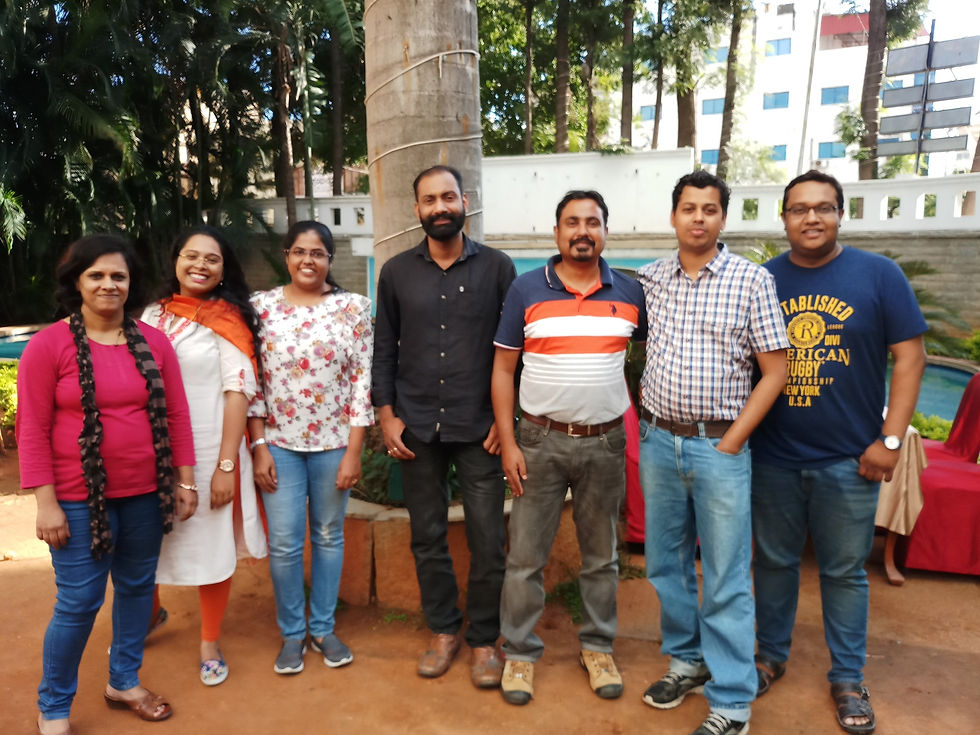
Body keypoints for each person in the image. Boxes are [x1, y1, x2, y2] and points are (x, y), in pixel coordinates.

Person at [750, 171, 926, 735]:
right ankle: (768, 657)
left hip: (850, 462)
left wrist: (890, 440)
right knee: (772, 563)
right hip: (773, 456)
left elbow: (910, 357)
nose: (811, 218)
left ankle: (848, 678)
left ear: (840, 214)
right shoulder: (762, 280)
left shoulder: (879, 275)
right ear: (784, 218)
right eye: (799, 209)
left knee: (845, 573)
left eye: (823, 207)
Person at [16, 235, 196, 734]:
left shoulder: (154, 343)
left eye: (118, 275)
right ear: (76, 282)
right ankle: (54, 707)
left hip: (145, 494)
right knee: (78, 603)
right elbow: (32, 428)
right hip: (76, 500)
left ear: (131, 282)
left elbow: (177, 416)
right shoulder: (48, 346)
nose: (108, 284)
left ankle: (123, 681)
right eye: (95, 275)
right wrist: (46, 504)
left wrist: (185, 481)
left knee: (137, 589)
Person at [636, 171, 789, 735]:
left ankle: (731, 701)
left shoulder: (752, 281)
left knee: (725, 574)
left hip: (718, 447)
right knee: (665, 563)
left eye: (709, 209)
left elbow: (776, 371)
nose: (698, 218)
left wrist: (733, 440)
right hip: (658, 441)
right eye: (689, 208)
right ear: (673, 215)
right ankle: (687, 661)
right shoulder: (651, 279)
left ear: (723, 217)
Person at [492, 190, 647, 706]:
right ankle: (519, 652)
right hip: (539, 442)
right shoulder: (526, 289)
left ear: (606, 231)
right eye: (572, 222)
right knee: (525, 557)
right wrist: (509, 441)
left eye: (593, 222)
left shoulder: (630, 291)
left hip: (605, 442)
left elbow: (648, 354)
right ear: (556, 232)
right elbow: (503, 369)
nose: (583, 231)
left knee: (601, 557)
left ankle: (598, 647)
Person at [372, 165, 516, 688]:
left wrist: (506, 420)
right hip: (416, 427)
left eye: (448, 197)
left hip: (480, 428)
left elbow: (514, 352)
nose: (440, 207)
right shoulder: (395, 272)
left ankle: (484, 639)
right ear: (417, 209)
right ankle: (442, 630)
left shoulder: (498, 268)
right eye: (429, 199)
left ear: (464, 202)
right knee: (427, 534)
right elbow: (383, 349)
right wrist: (387, 415)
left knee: (488, 538)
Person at [141, 226, 268, 686]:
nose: (200, 265)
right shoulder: (152, 314)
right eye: (191, 255)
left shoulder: (227, 319)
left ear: (223, 269)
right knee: (144, 541)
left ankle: (209, 641)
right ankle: (148, 615)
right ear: (175, 260)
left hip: (212, 447)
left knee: (210, 544)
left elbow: (238, 392)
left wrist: (226, 466)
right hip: (152, 451)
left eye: (211, 259)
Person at [247, 220, 373, 675]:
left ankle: (322, 628)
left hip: (333, 445)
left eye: (317, 253)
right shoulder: (261, 307)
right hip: (279, 445)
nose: (308, 260)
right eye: (299, 251)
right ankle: (291, 634)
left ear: (329, 259)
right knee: (284, 543)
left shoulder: (353, 308)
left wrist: (354, 452)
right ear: (286, 256)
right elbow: (252, 381)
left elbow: (361, 382)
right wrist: (259, 446)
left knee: (327, 535)